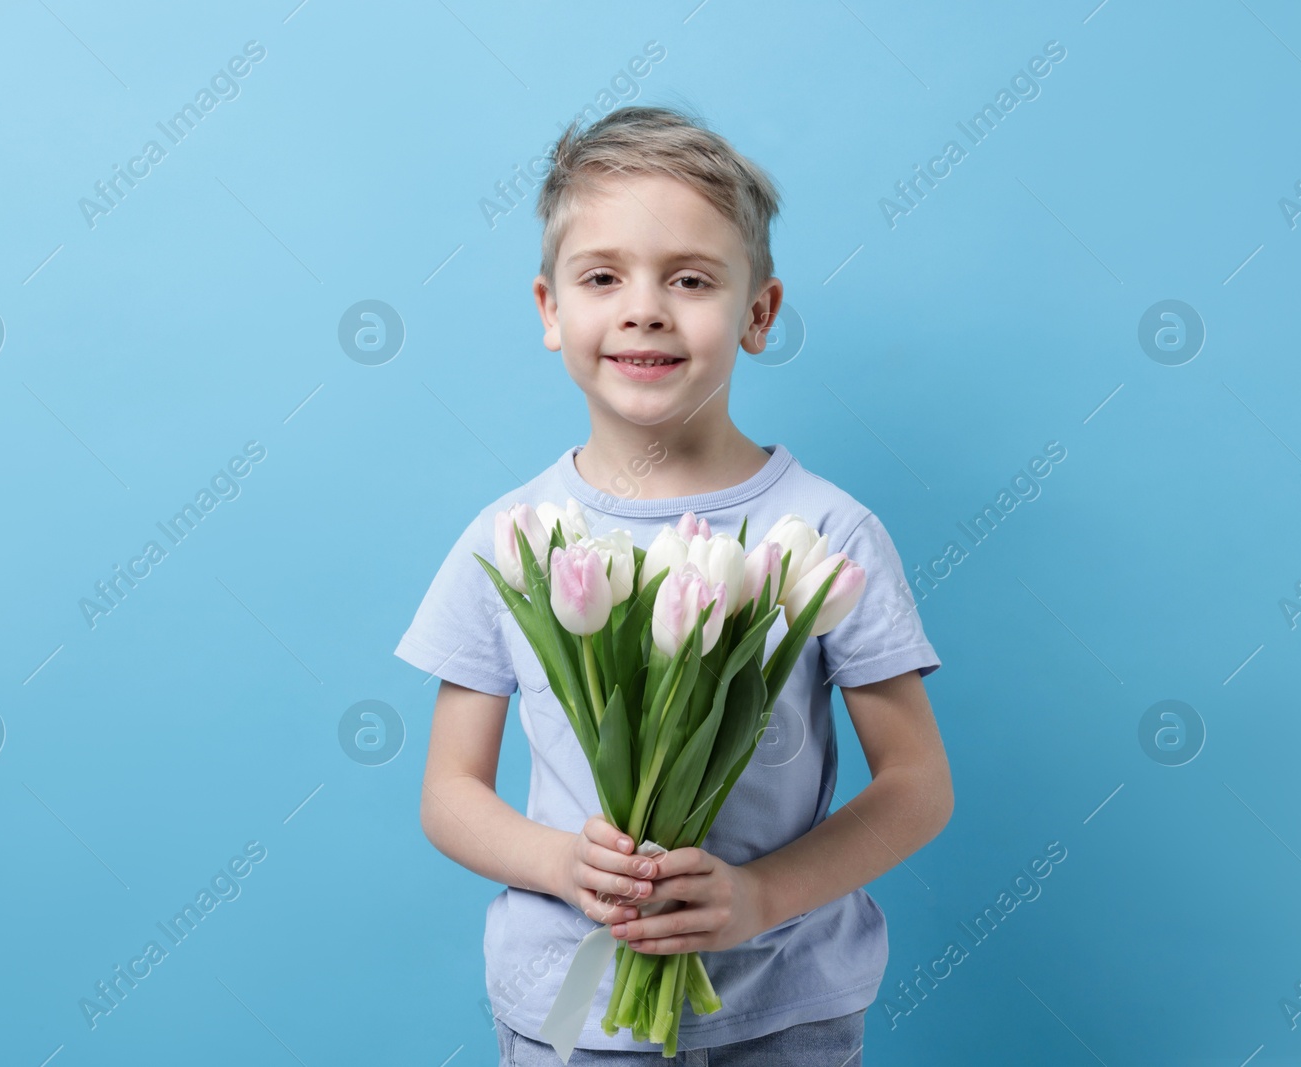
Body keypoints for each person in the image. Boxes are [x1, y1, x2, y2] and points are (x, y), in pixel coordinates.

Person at [394, 104, 952, 1066]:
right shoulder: (514, 540)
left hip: (786, 1005)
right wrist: (562, 865)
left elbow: (916, 786)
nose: (644, 307)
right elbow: (449, 790)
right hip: (573, 1010)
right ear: (550, 310)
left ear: (759, 313)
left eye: (690, 278)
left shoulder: (823, 533)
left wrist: (761, 898)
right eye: (603, 276)